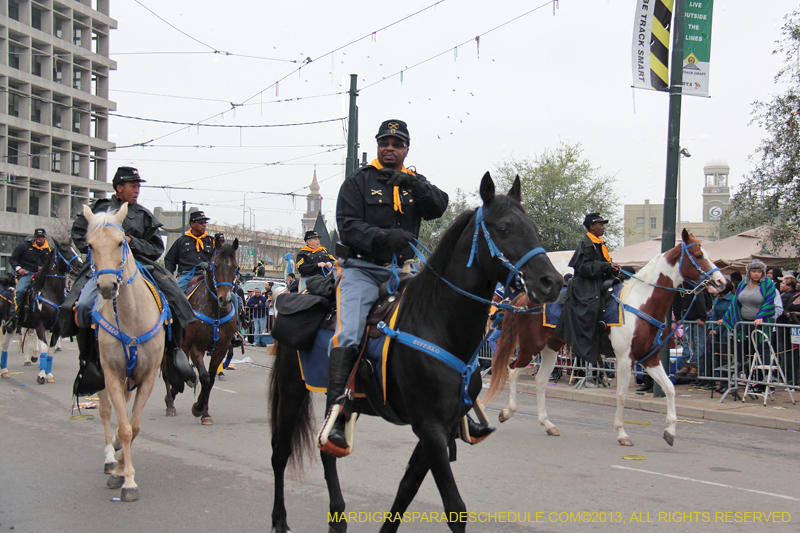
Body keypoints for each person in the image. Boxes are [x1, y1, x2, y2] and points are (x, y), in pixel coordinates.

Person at [324, 118, 452, 455]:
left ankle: (458, 409)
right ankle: (336, 412)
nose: (390, 148)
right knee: (350, 332)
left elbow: (439, 205)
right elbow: (348, 227)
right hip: (362, 271)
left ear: (406, 149)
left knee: (438, 326)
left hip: (405, 272)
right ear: (378, 145)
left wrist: (414, 185)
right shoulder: (358, 182)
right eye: (385, 143)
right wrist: (383, 236)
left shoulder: (413, 181)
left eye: (397, 144)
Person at [60, 166, 196, 393]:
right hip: (103, 266)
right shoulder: (99, 209)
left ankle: (173, 355)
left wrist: (132, 241)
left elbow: (156, 248)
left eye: (138, 186)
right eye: (133, 186)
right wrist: (99, 248)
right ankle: (88, 363)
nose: (137, 190)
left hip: (140, 264)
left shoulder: (143, 215)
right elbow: (80, 236)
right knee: (82, 305)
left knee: (175, 297)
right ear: (119, 187)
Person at [556, 213, 620, 365]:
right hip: (585, 285)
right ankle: (588, 340)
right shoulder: (586, 244)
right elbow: (584, 267)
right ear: (592, 226)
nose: (603, 227)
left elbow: (601, 265)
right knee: (590, 308)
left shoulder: (600, 243)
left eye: (603, 224)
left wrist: (612, 268)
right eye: (601, 224)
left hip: (598, 282)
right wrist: (606, 266)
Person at [717, 259, 781, 380]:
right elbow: (735, 303)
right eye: (754, 271)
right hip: (744, 323)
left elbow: (769, 302)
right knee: (746, 349)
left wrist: (760, 317)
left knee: (762, 348)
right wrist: (725, 318)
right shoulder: (743, 284)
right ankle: (750, 377)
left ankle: (765, 378)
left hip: (761, 324)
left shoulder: (767, 284)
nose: (756, 274)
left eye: (759, 271)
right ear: (749, 272)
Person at [4, 228, 51, 330]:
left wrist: (44, 269)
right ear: (34, 237)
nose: (39, 239)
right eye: (37, 237)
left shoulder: (49, 250)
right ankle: (13, 317)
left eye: (42, 237)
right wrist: (19, 269)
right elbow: (13, 259)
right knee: (20, 291)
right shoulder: (24, 246)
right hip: (27, 274)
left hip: (42, 277)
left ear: (45, 238)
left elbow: (51, 265)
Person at [672, 283, 712, 383]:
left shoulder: (696, 285)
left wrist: (703, 317)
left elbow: (701, 301)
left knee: (698, 343)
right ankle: (686, 364)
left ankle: (696, 366)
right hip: (686, 318)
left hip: (698, 319)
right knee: (687, 343)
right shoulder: (679, 287)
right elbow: (676, 302)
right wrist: (678, 317)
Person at [164, 210, 213, 292]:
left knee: (232, 297)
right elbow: (170, 260)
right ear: (192, 224)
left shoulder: (211, 241)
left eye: (205, 223)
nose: (204, 225)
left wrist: (209, 264)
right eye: (201, 223)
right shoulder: (181, 241)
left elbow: (219, 260)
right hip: (186, 276)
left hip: (207, 275)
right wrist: (170, 278)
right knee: (174, 294)